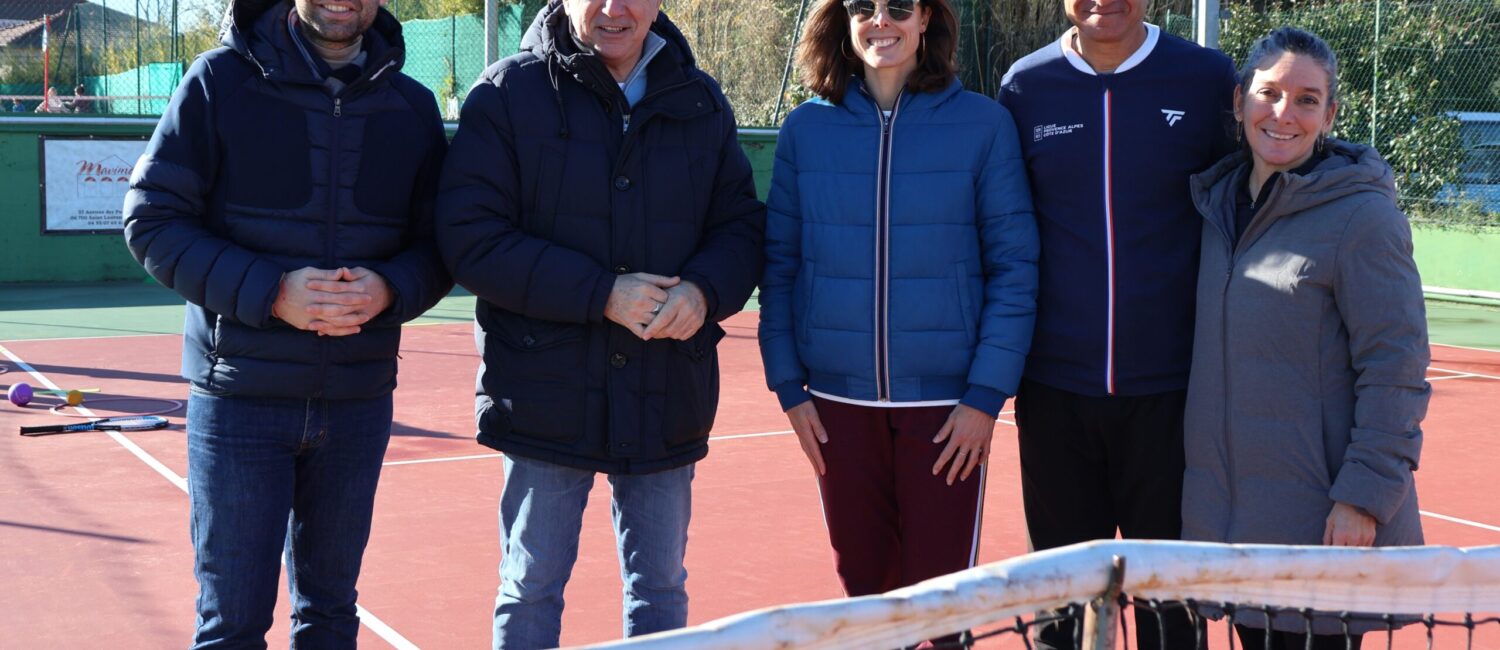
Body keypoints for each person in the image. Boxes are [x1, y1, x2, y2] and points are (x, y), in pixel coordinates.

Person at [435, 0, 766, 645]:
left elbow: (740, 228)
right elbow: (471, 238)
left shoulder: (701, 101)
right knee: (530, 588)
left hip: (666, 390)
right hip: (542, 397)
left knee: (660, 588)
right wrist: (602, 294)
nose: (615, 10)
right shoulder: (507, 94)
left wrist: (703, 291)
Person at [122, 0, 450, 646]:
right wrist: (273, 293)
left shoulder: (411, 109)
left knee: (330, 616)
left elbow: (441, 246)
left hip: (356, 405)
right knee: (232, 626)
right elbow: (151, 219)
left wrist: (389, 288)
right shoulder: (219, 83)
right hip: (240, 402)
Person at [758, 0, 1037, 615]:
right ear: (844, 20)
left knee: (941, 602)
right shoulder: (807, 127)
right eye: (864, 8)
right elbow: (779, 265)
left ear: (927, 20)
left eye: (899, 8)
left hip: (944, 414)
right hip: (836, 408)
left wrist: (984, 399)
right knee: (864, 598)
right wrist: (789, 388)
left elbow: (1015, 269)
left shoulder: (984, 125)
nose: (881, 21)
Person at [996, 1, 1238, 648]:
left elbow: (1260, 186)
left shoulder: (1208, 77)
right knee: (1063, 612)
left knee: (1171, 614)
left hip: (1174, 397)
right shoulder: (1025, 86)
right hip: (1053, 395)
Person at [1183, 27, 1429, 650]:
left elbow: (1396, 369)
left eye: (1307, 99)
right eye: (1269, 93)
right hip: (1238, 533)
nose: (1284, 114)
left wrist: (1364, 500)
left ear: (1330, 115)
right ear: (1239, 102)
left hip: (1322, 530)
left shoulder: (1364, 218)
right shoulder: (1217, 207)